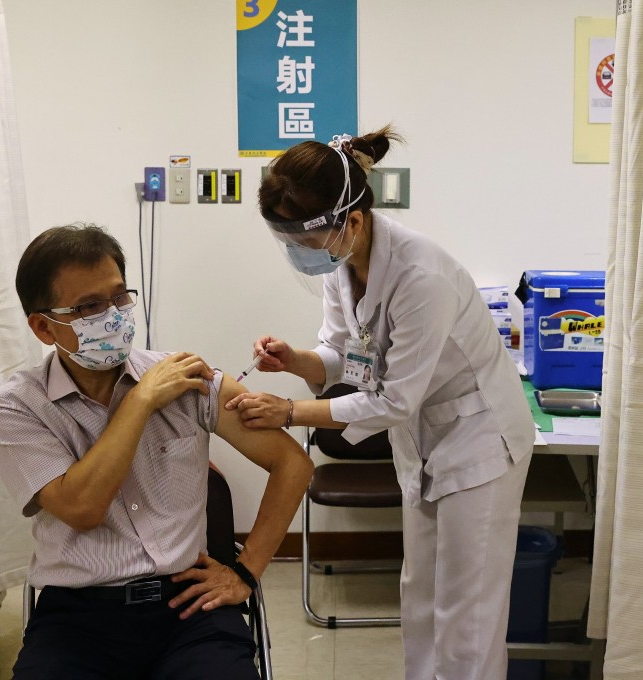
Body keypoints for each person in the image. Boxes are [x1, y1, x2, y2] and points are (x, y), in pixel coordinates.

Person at [224, 128, 536, 680]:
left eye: (309, 239)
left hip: (479, 438)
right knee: (419, 597)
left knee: (468, 610)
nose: (303, 252)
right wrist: (296, 360)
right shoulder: (341, 261)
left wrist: (290, 413)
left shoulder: (422, 275)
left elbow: (391, 398)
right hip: (422, 437)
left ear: (353, 220)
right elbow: (346, 355)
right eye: (292, 241)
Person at [0, 224, 313, 679]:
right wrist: (139, 401)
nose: (114, 315)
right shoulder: (14, 407)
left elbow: (292, 464)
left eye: (120, 297)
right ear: (43, 326)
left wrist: (246, 570)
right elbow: (82, 507)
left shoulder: (188, 378)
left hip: (188, 609)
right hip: (76, 619)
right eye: (90, 306)